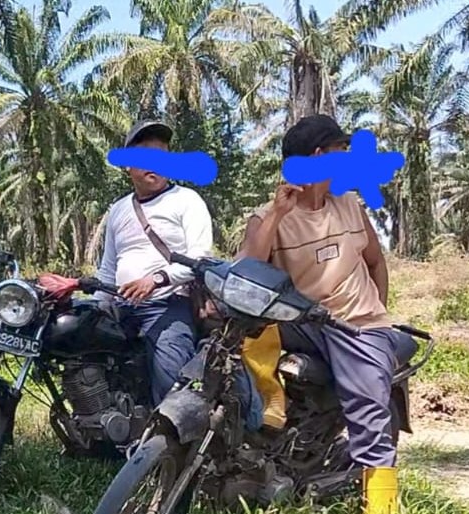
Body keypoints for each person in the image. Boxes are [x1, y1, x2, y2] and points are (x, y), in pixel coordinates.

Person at [238, 114, 399, 505]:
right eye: (341, 149)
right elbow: (246, 274)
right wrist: (277, 214)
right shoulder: (268, 216)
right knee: (240, 330)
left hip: (356, 324)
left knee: (369, 417)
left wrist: (374, 316)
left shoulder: (350, 205)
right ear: (318, 156)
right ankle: (267, 409)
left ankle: (381, 506)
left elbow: (376, 262)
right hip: (305, 321)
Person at [94, 120, 213, 407]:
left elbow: (199, 259)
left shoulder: (187, 200)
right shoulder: (118, 209)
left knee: (171, 385)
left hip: (168, 305)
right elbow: (108, 267)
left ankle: (173, 431)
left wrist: (156, 280)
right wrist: (96, 306)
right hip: (121, 308)